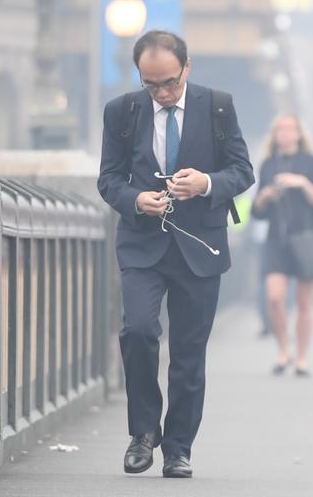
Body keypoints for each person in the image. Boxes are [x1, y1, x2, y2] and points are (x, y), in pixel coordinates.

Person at [97, 30, 255, 479]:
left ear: (187, 68)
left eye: (169, 82)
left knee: (188, 353)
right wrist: (134, 200)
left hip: (200, 245)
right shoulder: (122, 111)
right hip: (142, 243)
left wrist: (205, 183)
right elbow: (108, 179)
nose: (163, 93)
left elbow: (242, 171)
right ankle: (143, 433)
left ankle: (179, 448)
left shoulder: (218, 106)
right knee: (139, 331)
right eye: (152, 85)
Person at [252, 114, 313, 377]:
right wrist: (266, 195)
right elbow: (257, 211)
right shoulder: (268, 165)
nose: (284, 134)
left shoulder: (312, 163)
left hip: (306, 238)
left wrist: (302, 183)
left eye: (289, 129)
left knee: (304, 301)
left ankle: (302, 358)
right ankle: (284, 349)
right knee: (274, 297)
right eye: (279, 130)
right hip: (276, 238)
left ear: (298, 133)